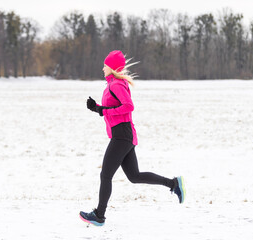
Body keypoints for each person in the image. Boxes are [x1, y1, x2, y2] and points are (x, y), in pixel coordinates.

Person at [79, 50, 186, 227]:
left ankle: (99, 215)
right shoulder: (113, 84)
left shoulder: (116, 85)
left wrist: (103, 110)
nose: (103, 67)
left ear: (112, 68)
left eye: (105, 65)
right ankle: (173, 184)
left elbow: (128, 106)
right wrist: (97, 108)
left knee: (105, 175)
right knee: (134, 176)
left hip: (121, 135)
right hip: (123, 134)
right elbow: (114, 108)